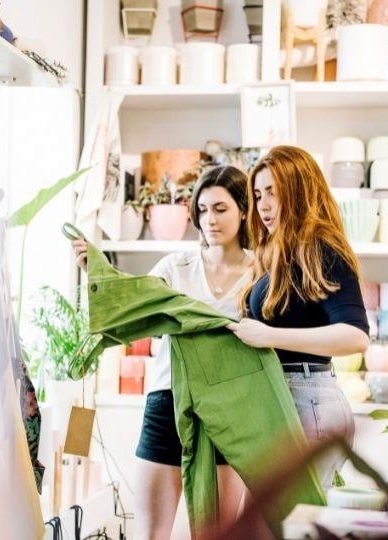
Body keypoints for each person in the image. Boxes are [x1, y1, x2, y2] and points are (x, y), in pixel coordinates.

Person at [72, 166, 254, 539]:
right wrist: (98, 272)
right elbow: (134, 300)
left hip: (229, 410)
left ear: (243, 210)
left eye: (220, 209)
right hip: (167, 401)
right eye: (202, 211)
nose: (209, 220)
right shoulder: (177, 266)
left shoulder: (262, 272)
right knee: (150, 534)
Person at [227, 145, 370, 488]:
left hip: (309, 401)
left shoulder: (321, 248)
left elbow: (356, 335)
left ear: (299, 189)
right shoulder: (278, 253)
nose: (262, 205)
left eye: (272, 193)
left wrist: (270, 336)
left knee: (288, 524)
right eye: (258, 194)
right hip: (285, 398)